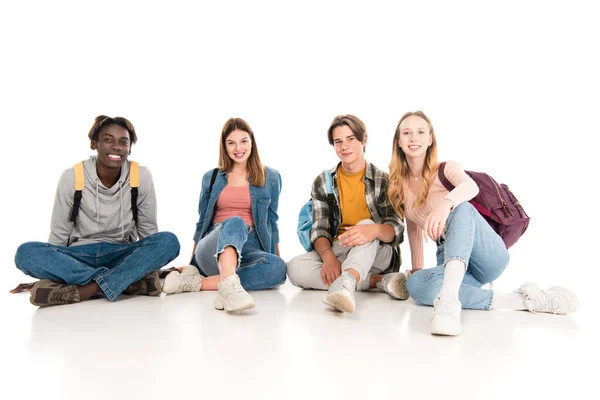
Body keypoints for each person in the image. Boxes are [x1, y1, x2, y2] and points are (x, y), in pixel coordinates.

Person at [387, 110, 580, 336]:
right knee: (417, 285)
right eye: (407, 132)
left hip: (485, 254)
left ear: (430, 139)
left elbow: (471, 188)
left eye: (421, 132)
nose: (414, 138)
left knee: (461, 207)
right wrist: (418, 268)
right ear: (398, 141)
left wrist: (444, 205)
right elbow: (413, 228)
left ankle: (448, 304)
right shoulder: (398, 185)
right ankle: (522, 300)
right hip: (449, 256)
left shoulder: (447, 168)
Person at [14, 115, 181, 307]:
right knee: (25, 253)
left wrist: (152, 263)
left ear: (129, 148)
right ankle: (127, 283)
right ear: (94, 144)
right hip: (78, 256)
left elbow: (148, 232)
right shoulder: (72, 177)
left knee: (168, 241)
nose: (116, 146)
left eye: (123, 142)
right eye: (108, 139)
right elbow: (59, 233)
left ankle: (87, 289)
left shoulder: (141, 175)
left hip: (120, 253)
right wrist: (52, 270)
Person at [162, 117, 286, 312]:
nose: (238, 148)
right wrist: (191, 261)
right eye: (231, 143)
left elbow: (272, 220)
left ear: (252, 142)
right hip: (214, 243)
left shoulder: (270, 177)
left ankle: (200, 284)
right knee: (235, 222)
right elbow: (202, 221)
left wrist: (275, 257)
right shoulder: (211, 177)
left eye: (244, 141)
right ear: (225, 147)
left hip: (249, 245)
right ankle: (227, 283)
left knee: (279, 269)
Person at [286, 114, 406, 313]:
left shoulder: (383, 180)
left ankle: (347, 283)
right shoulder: (323, 182)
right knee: (294, 268)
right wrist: (328, 258)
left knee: (365, 225)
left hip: (377, 252)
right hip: (340, 248)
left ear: (364, 140)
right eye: (338, 142)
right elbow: (320, 228)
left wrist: (373, 230)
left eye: (351, 139)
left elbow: (397, 229)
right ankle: (377, 282)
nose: (344, 147)